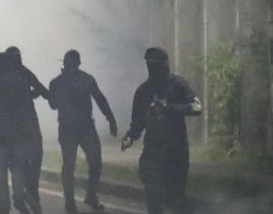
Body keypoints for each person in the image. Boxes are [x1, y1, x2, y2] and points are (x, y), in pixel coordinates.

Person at [121, 47, 202, 214]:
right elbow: (138, 121)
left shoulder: (178, 84)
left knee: (176, 198)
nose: (153, 69)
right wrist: (130, 137)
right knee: (153, 193)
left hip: (176, 150)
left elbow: (197, 107)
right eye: (150, 65)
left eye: (156, 64)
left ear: (164, 65)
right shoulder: (143, 91)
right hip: (153, 151)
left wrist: (170, 108)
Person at [48, 50, 118, 213]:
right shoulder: (58, 82)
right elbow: (53, 104)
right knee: (70, 164)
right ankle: (71, 201)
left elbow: (99, 98)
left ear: (77, 64)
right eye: (68, 64)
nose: (70, 67)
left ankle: (89, 195)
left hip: (85, 127)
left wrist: (110, 118)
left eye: (72, 64)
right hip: (69, 128)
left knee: (94, 161)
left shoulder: (85, 79)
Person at [0, 52, 35, 214]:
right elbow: (26, 108)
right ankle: (19, 199)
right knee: (18, 169)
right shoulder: (20, 85)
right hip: (19, 134)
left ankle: (4, 208)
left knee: (0, 174)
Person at [5, 46, 48, 214]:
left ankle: (28, 193)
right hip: (20, 124)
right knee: (24, 159)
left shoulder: (20, 73)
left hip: (25, 123)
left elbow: (40, 88)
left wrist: (40, 94)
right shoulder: (10, 75)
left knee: (31, 158)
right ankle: (26, 193)